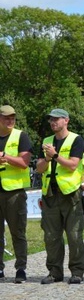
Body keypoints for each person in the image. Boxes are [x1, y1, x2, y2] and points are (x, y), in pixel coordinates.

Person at [37, 108, 84, 284]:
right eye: (51, 119)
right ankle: (54, 271)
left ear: (66, 120)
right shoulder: (46, 141)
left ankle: (77, 271)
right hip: (50, 194)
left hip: (70, 194)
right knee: (51, 236)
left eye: (57, 119)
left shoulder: (76, 139)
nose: (53, 122)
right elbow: (39, 167)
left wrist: (55, 155)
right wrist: (48, 159)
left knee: (74, 235)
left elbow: (73, 165)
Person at [0, 105, 32, 283]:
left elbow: (24, 162)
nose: (10, 120)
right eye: (6, 117)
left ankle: (21, 268)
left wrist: (5, 156)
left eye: (12, 117)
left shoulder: (21, 136)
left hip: (14, 193)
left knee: (17, 232)